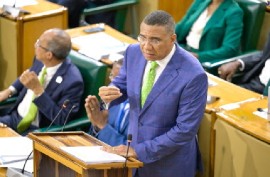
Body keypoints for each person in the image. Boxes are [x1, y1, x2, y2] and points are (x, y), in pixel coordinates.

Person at [95, 10, 208, 177]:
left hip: (169, 165)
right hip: (133, 158)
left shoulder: (193, 75)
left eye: (155, 40)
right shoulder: (133, 52)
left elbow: (184, 131)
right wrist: (109, 93)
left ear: (172, 39)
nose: (147, 46)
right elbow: (121, 85)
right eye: (143, 37)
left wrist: (138, 151)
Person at [0, 28, 84, 135]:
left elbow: (61, 119)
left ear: (49, 55)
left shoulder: (73, 82)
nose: (35, 45)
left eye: (39, 44)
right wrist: (9, 91)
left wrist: (38, 91)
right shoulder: (40, 60)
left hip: (37, 131)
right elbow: (27, 76)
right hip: (14, 118)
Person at [175, 0, 243, 63]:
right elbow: (180, 26)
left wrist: (197, 56)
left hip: (203, 59)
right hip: (183, 49)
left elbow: (229, 49)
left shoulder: (234, 12)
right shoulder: (200, 2)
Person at [85, 59, 129, 146]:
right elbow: (93, 135)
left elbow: (129, 150)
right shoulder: (108, 100)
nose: (113, 84)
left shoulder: (143, 109)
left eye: (119, 79)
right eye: (112, 76)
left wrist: (102, 125)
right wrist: (96, 125)